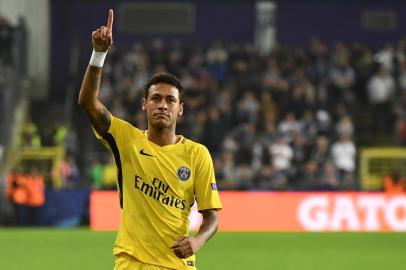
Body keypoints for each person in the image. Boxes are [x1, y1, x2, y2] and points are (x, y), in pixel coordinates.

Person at [78, 9, 222, 270]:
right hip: (132, 263)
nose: (163, 105)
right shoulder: (126, 140)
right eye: (156, 98)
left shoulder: (197, 154)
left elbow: (211, 216)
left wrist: (198, 241)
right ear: (144, 104)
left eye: (170, 100)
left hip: (177, 265)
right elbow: (88, 103)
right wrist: (99, 55)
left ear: (180, 109)